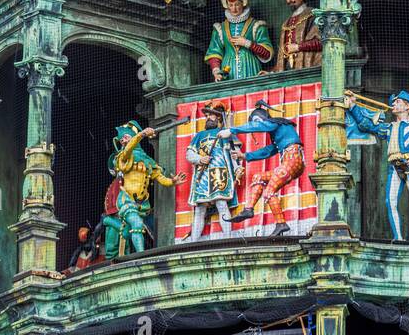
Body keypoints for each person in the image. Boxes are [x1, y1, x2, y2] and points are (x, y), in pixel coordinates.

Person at [343, 90, 409, 244]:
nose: (393, 104)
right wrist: (353, 105)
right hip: (394, 168)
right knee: (390, 202)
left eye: (397, 102)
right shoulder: (388, 127)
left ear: (407, 106)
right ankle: (398, 237)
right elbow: (366, 125)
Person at [222, 101, 305, 237]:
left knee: (269, 192)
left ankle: (281, 223)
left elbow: (260, 125)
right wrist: (245, 155)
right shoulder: (280, 131)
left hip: (292, 160)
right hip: (290, 163)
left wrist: (231, 130)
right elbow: (269, 150)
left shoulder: (275, 123)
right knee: (258, 177)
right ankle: (249, 209)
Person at [107, 121, 186, 255]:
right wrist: (142, 134)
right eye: (121, 139)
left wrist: (172, 181)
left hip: (143, 203)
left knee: (136, 229)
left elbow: (159, 177)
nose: (123, 141)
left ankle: (120, 228)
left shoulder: (146, 159)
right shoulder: (124, 156)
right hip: (127, 200)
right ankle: (141, 256)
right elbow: (127, 150)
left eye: (126, 137)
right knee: (137, 225)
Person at [184, 99, 241, 241]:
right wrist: (199, 159)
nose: (208, 117)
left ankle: (228, 238)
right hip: (202, 175)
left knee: (221, 204)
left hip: (219, 173)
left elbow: (233, 152)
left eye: (212, 115)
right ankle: (193, 243)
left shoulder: (224, 133)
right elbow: (189, 154)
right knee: (199, 209)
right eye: (207, 115)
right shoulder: (198, 136)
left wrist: (237, 168)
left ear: (219, 117)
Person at [204, 0, 274, 81]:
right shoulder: (220, 28)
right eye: (231, 5)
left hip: (250, 67)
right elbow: (214, 53)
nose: (234, 9)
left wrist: (247, 43)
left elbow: (267, 54)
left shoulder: (256, 25)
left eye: (237, 4)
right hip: (228, 69)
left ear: (243, 4)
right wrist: (216, 71)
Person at [277, 0, 322, 71]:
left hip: (308, 68)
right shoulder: (286, 23)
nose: (288, 0)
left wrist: (298, 47)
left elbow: (321, 42)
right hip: (288, 72)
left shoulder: (312, 15)